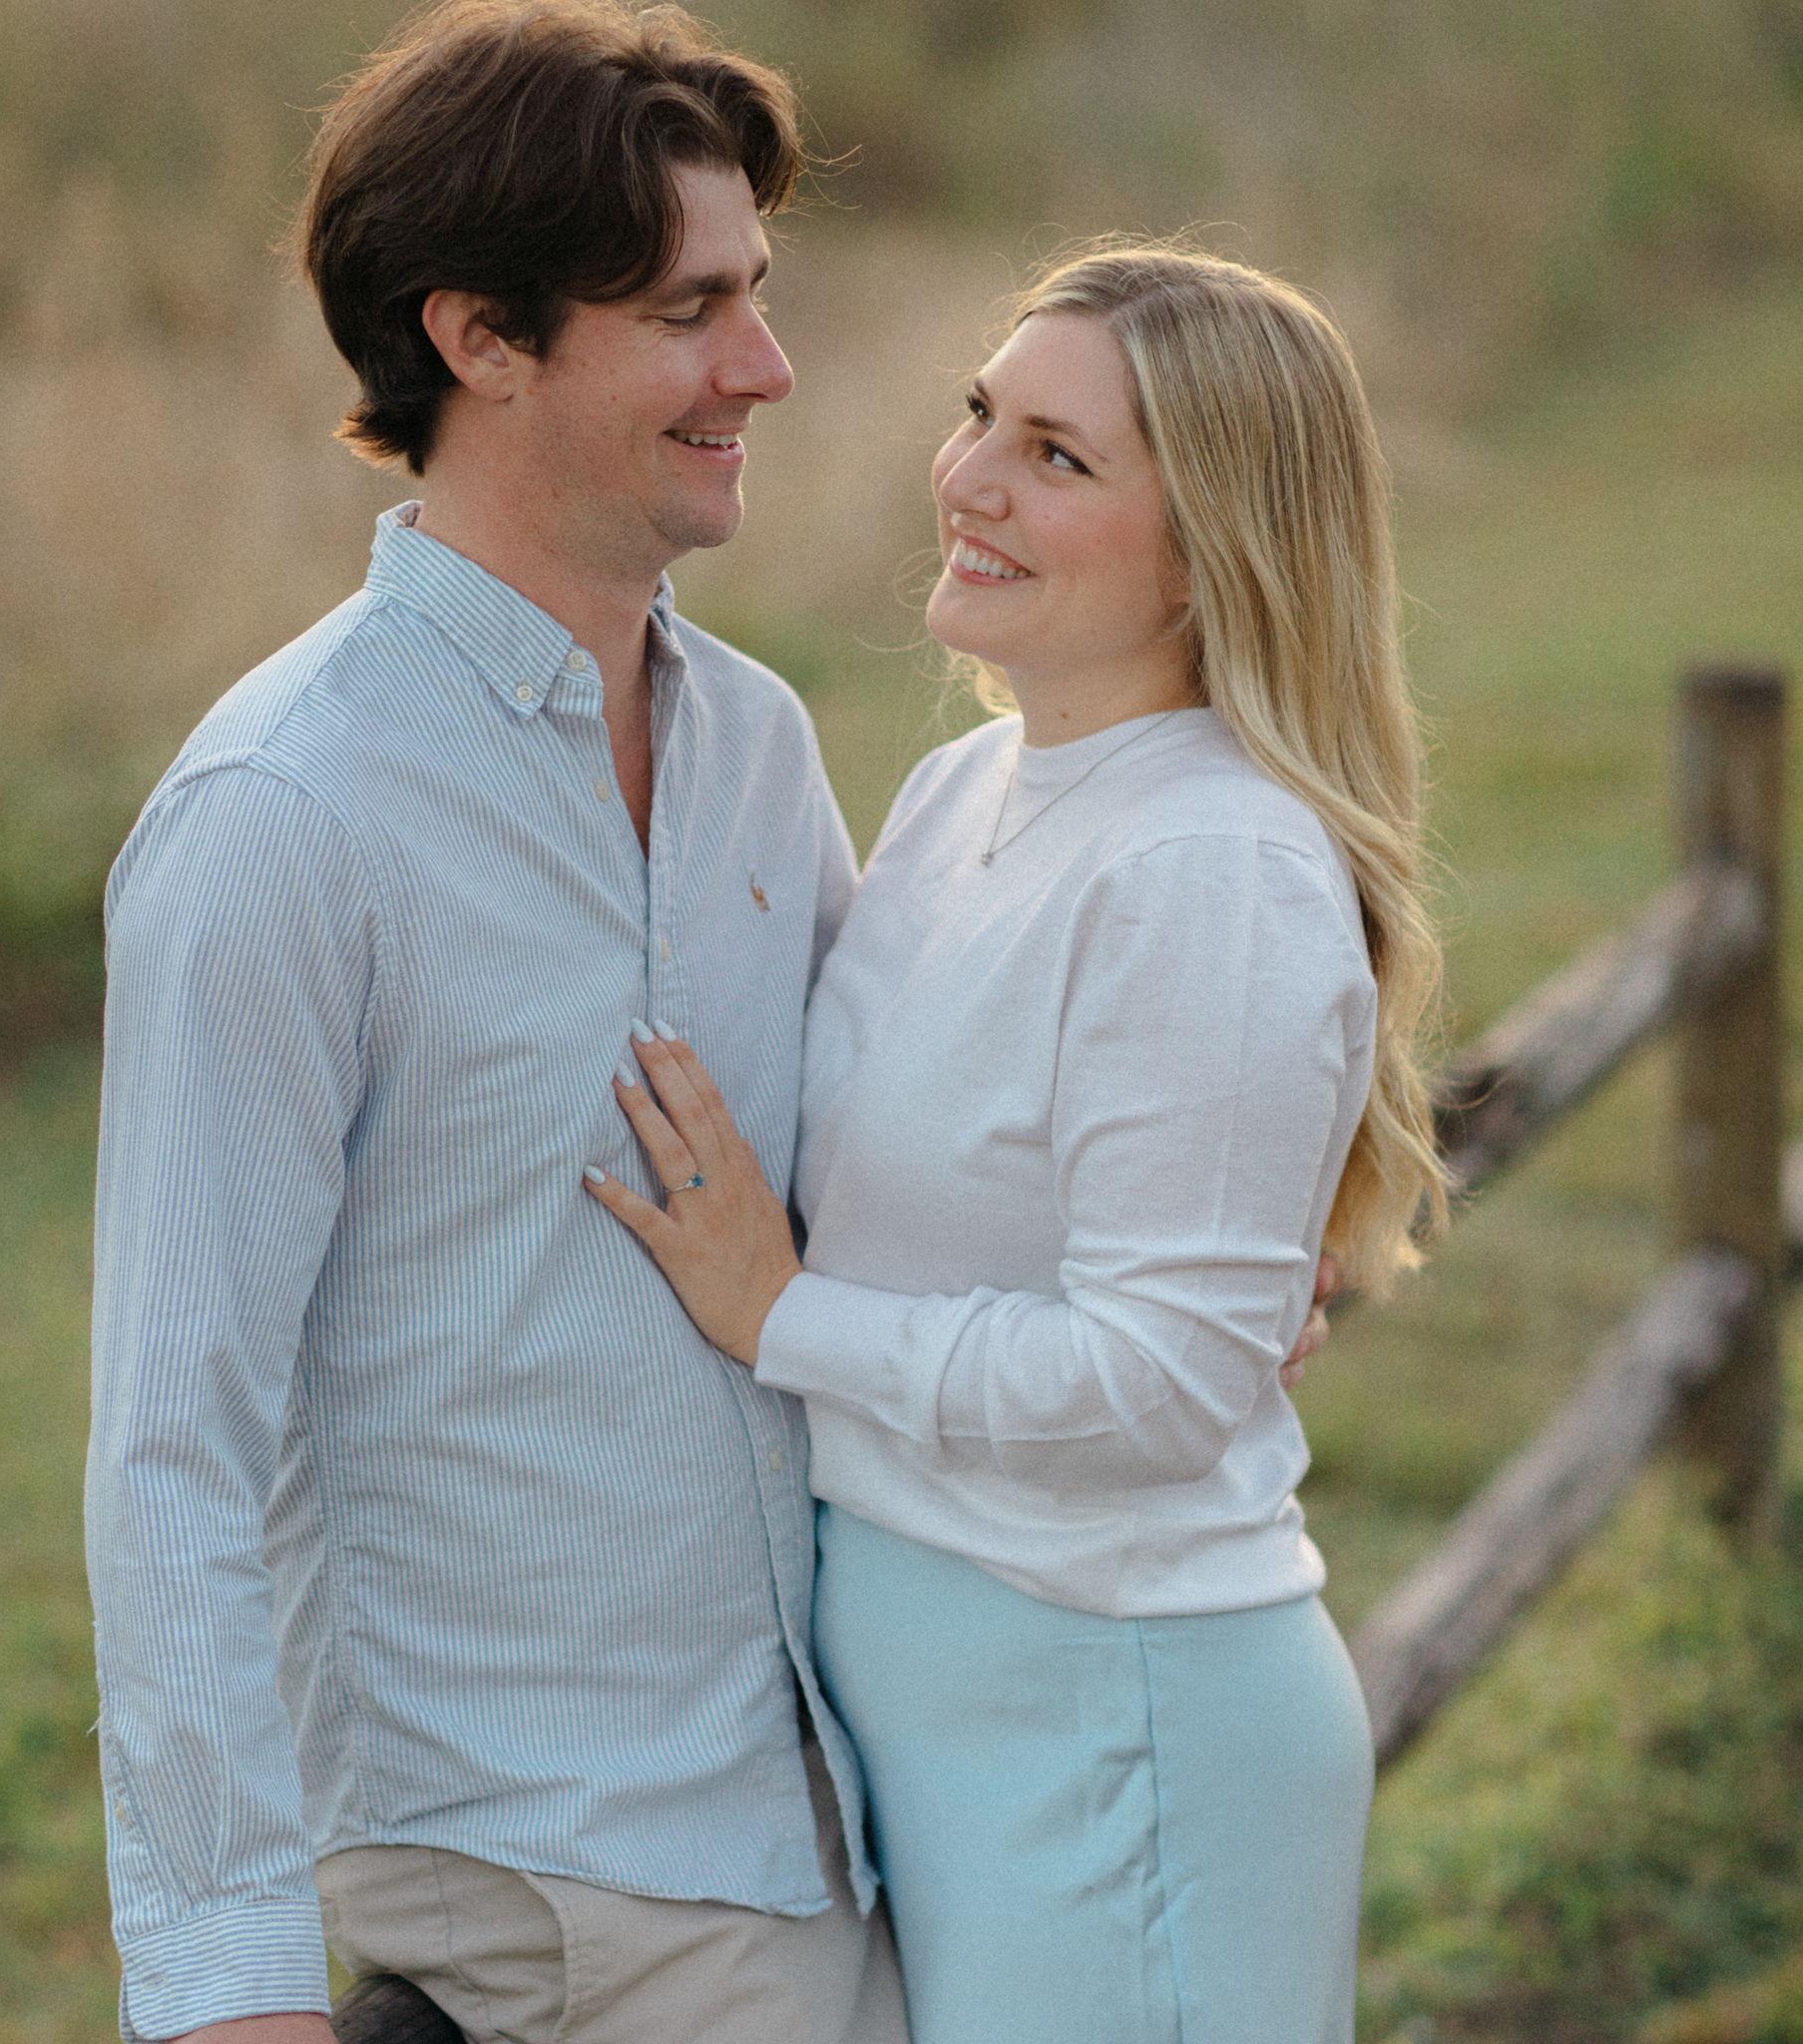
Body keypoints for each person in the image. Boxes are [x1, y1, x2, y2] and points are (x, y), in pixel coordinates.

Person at [84, 4, 1336, 2038]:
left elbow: (888, 1146)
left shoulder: (754, 744)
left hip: (829, 1800)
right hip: (563, 1853)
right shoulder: (282, 821)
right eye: (690, 311)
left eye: (756, 292)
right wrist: (227, 1990)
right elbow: (173, 1447)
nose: (766, 364)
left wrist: (1215, 1265)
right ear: (482, 337)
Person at [587, 243, 1449, 2044]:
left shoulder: (1210, 865)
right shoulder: (966, 788)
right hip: (960, 1708)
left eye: (1058, 457)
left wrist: (787, 1319)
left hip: (1113, 1717)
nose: (969, 479)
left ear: (1212, 549)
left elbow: (1161, 1384)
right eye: (984, 416)